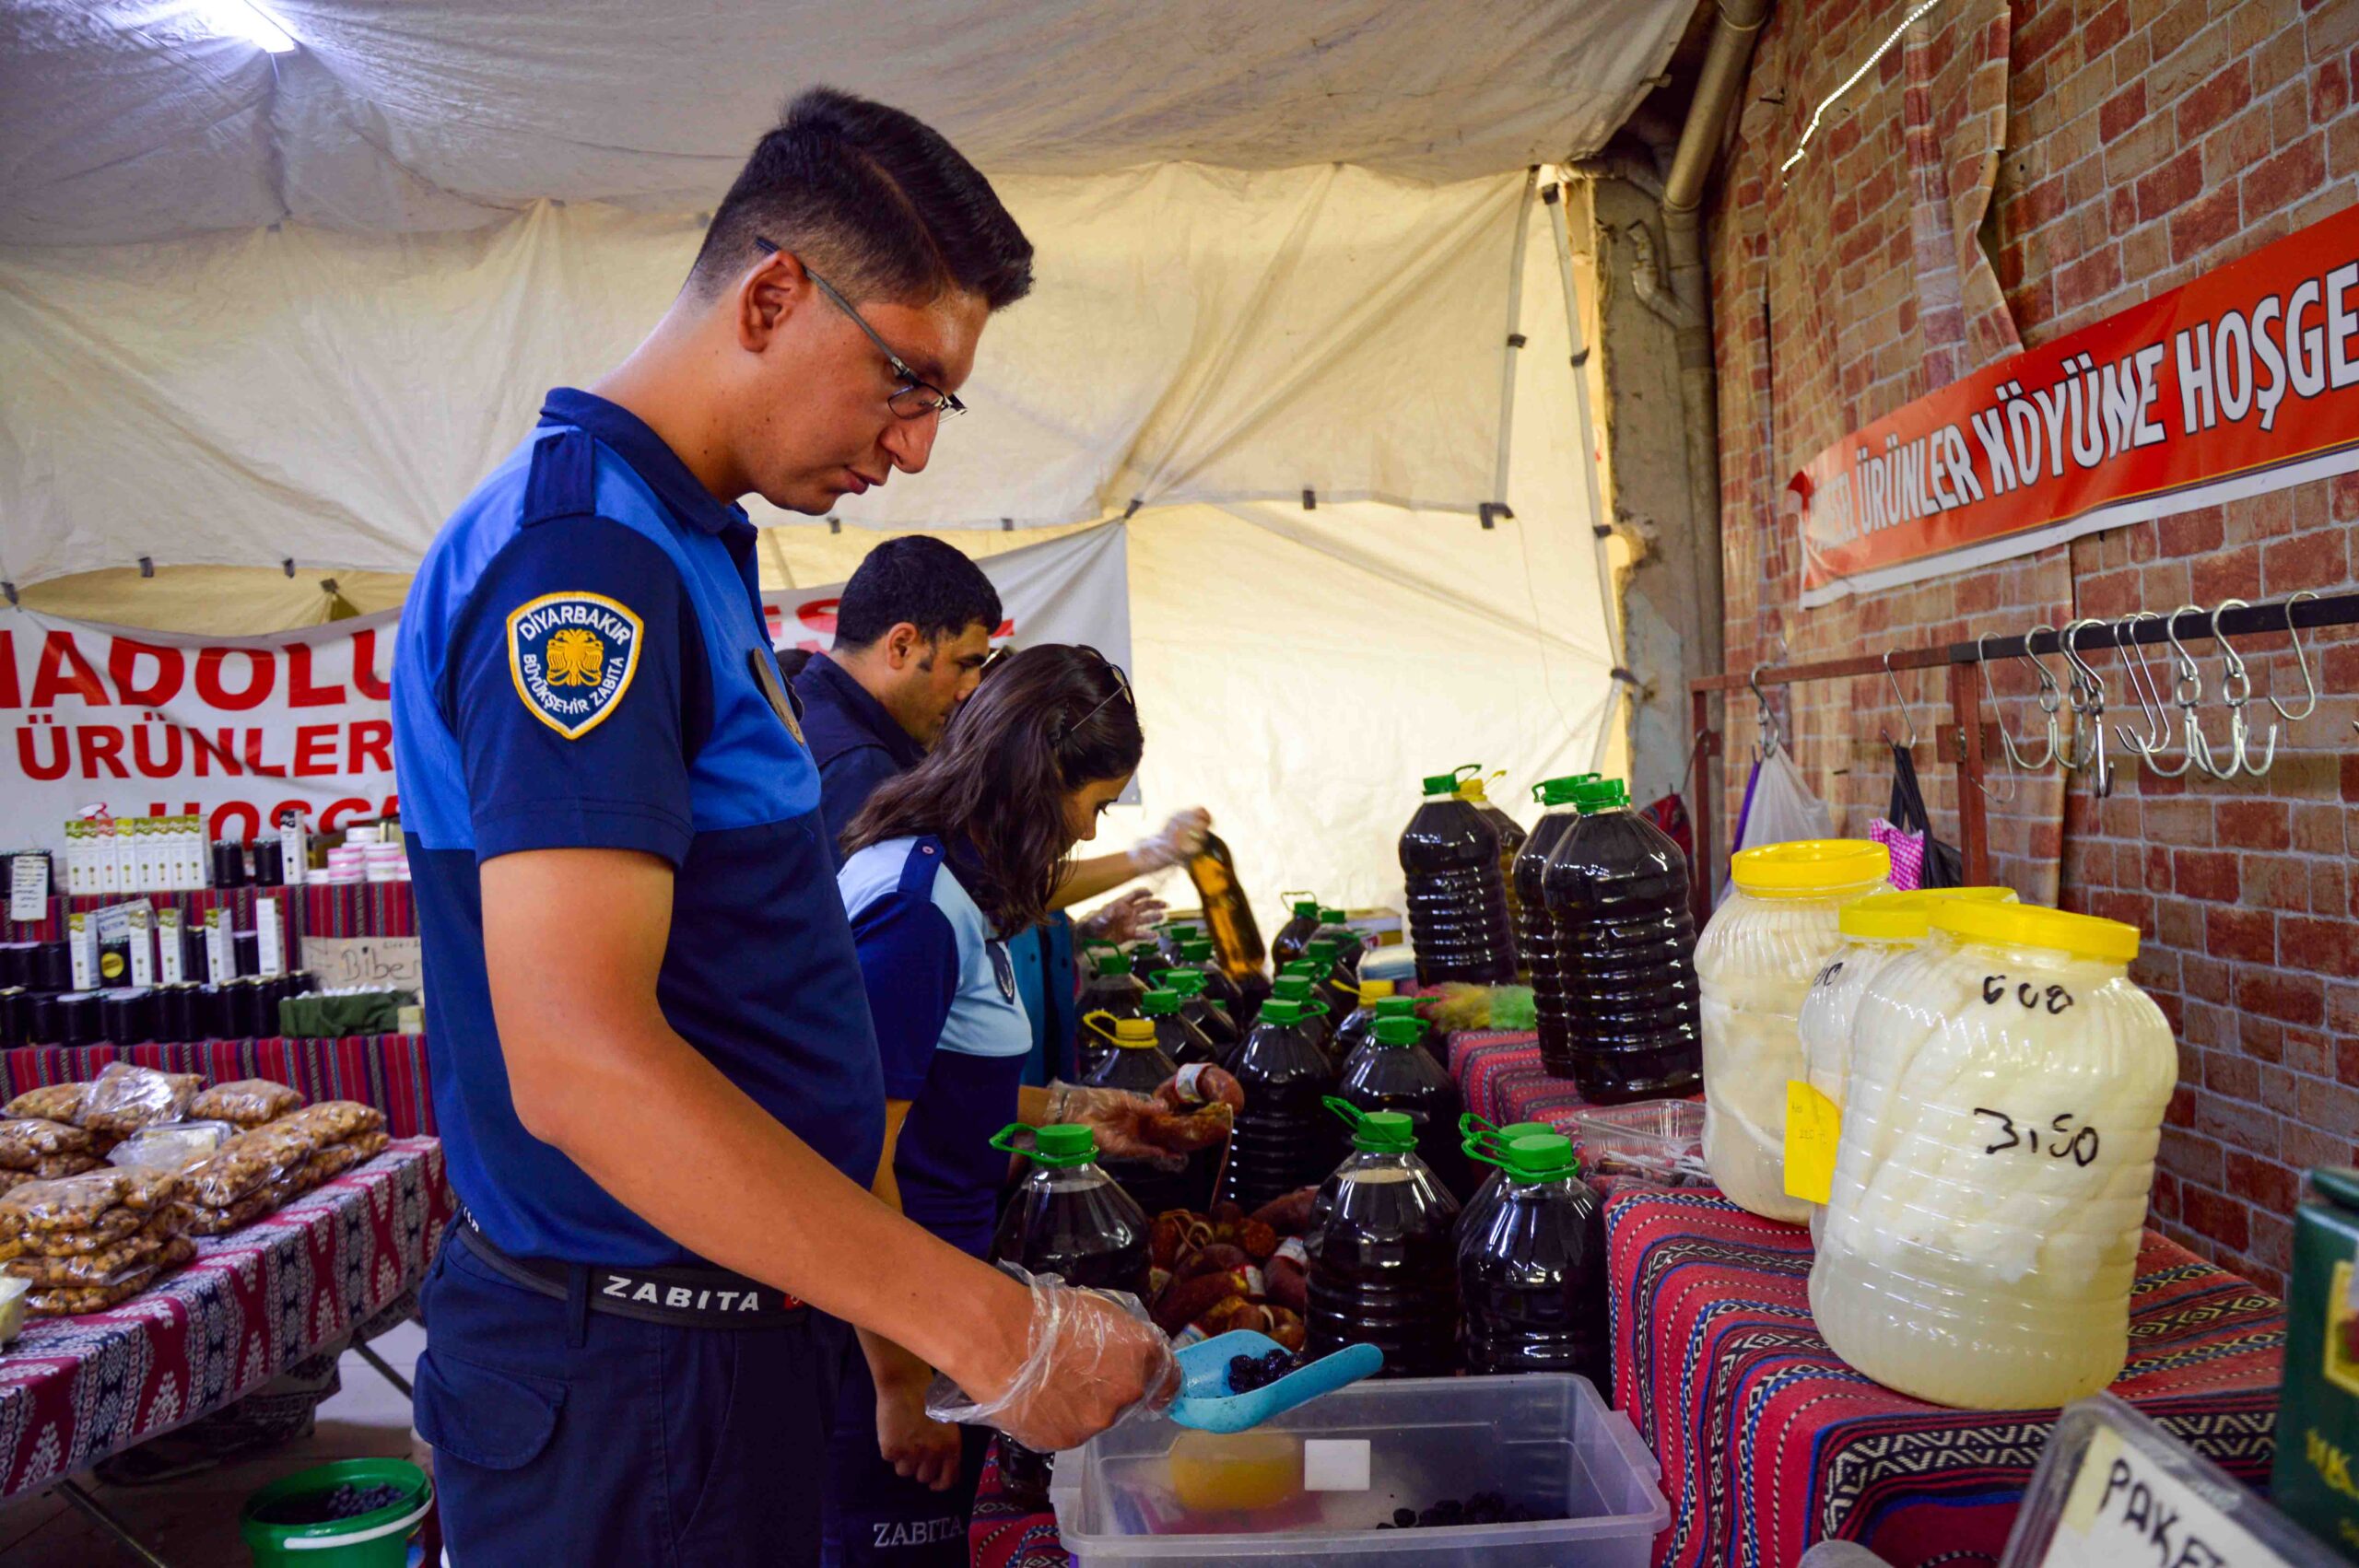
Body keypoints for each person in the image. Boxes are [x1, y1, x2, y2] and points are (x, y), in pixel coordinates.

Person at [391, 88, 1172, 1566]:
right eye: (905, 382)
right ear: (769, 296)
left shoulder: (675, 538)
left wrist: (897, 1335)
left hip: (708, 1347)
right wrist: (989, 1326)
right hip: (629, 1374)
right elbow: (578, 1063)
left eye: (940, 400)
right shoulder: (586, 566)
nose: (917, 448)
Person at [824, 644, 1218, 1562]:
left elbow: (950, 1094)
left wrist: (1100, 1114)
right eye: (1093, 804)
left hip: (939, 1303)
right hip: (894, 1326)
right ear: (1038, 781)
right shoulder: (913, 913)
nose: (1089, 834)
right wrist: (899, 1380)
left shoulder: (952, 884)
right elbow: (856, 1161)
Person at [791, 536, 1002, 860]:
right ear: (901, 646)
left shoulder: (794, 711)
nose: (970, 689)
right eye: (964, 665)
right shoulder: (859, 767)